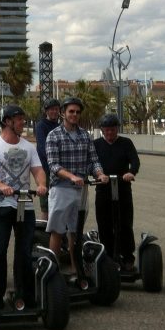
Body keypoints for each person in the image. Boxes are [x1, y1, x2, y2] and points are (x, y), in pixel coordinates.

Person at [0, 104, 47, 309]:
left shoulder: (28, 147)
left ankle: (24, 294)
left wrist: (42, 184)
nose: (22, 122)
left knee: (25, 251)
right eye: (19, 119)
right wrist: (1, 185)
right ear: (8, 121)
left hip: (24, 205)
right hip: (2, 205)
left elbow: (38, 170)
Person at [45, 97, 108, 279]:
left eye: (77, 112)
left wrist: (99, 174)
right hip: (61, 189)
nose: (74, 115)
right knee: (57, 230)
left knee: (76, 231)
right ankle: (53, 270)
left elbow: (93, 161)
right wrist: (71, 176)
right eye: (71, 111)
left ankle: (75, 268)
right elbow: (53, 165)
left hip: (80, 191)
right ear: (63, 113)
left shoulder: (85, 136)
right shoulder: (54, 136)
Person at [93, 113, 141, 271]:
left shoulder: (126, 143)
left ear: (117, 129)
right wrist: (98, 175)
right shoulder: (96, 144)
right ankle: (107, 256)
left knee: (125, 223)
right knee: (104, 224)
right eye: (106, 130)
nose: (109, 133)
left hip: (123, 187)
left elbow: (135, 160)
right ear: (102, 130)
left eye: (112, 130)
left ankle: (127, 256)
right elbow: (91, 163)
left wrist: (131, 172)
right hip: (103, 189)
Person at [35, 98, 61, 221]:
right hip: (45, 168)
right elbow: (41, 147)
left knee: (58, 201)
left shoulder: (60, 126)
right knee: (45, 204)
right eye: (51, 109)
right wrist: (52, 162)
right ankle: (44, 232)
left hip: (59, 168)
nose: (54, 112)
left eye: (56, 109)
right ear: (46, 111)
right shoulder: (41, 125)